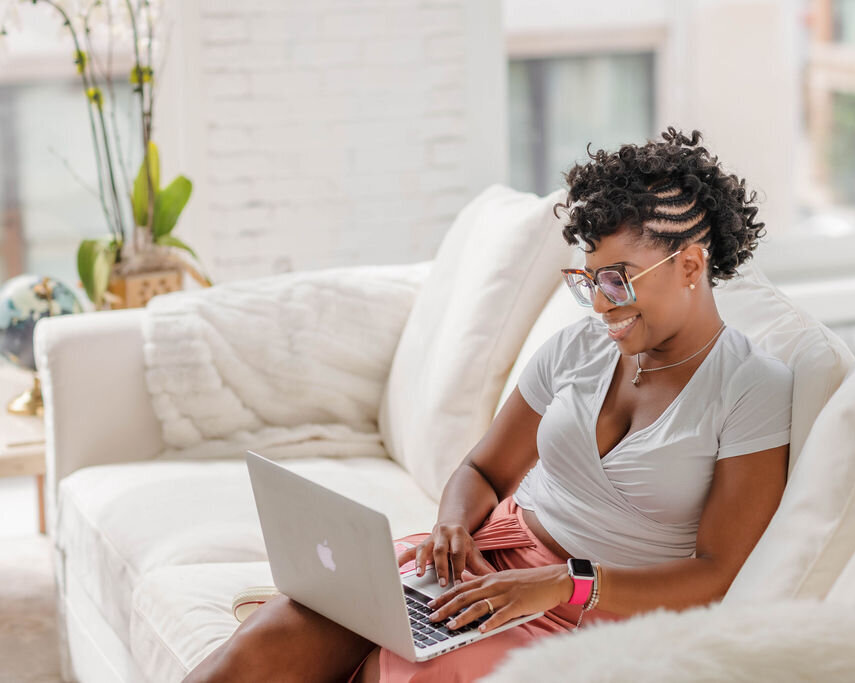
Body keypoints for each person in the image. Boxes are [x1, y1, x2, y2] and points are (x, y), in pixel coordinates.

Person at [185, 127, 794, 683]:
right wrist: (453, 522)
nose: (602, 305)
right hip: (488, 563)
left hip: (598, 608)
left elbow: (717, 574)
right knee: (259, 651)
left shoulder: (749, 389)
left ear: (690, 264)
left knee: (406, 671)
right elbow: (483, 471)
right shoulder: (577, 347)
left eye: (618, 279)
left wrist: (564, 584)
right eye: (587, 282)